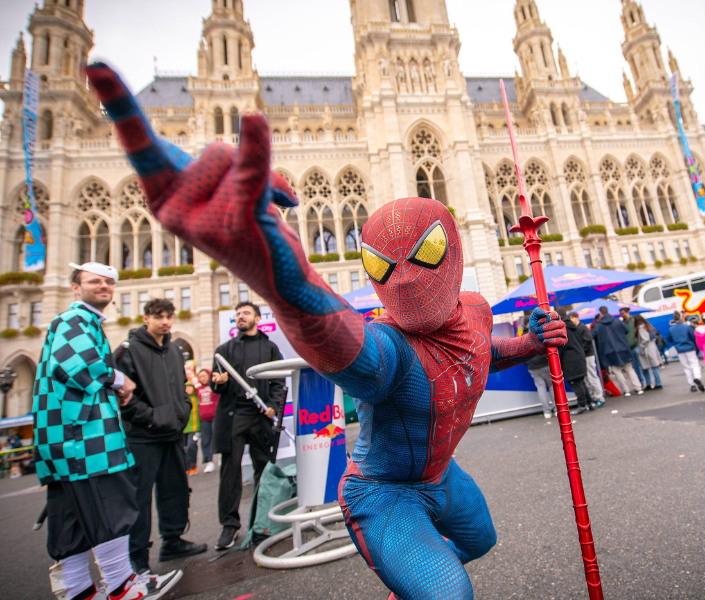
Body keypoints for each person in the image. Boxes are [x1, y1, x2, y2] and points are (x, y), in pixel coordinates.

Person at [87, 63, 569, 599]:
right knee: (449, 593)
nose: (403, 278)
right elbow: (343, 342)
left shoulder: (476, 309)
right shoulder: (388, 349)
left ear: (450, 248)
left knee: (479, 540)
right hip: (383, 493)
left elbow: (477, 350)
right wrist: (279, 275)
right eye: (380, 265)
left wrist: (527, 343)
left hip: (440, 476)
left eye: (426, 253)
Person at [33, 262, 181, 600]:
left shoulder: (79, 322)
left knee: (71, 518)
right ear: (75, 287)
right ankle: (122, 586)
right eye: (94, 281)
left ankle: (79, 590)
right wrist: (119, 379)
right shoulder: (75, 320)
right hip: (84, 438)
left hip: (62, 442)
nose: (103, 287)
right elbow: (75, 365)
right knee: (110, 507)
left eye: (108, 282)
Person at [115, 299, 207, 573]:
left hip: (172, 434)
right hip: (142, 437)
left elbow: (183, 386)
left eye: (169, 316)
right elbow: (122, 397)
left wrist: (182, 413)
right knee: (139, 498)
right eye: (159, 317)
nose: (165, 321)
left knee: (175, 490)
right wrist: (152, 419)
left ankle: (173, 541)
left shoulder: (175, 350)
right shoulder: (126, 351)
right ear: (146, 319)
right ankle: (137, 556)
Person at [211, 301, 286, 551]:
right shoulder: (224, 350)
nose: (240, 317)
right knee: (230, 473)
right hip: (233, 418)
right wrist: (219, 382)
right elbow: (216, 383)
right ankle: (229, 527)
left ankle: (261, 522)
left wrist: (274, 404)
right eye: (237, 314)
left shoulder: (270, 348)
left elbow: (278, 380)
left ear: (257, 318)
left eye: (245, 313)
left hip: (261, 417)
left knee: (263, 470)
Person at [592, 306, 644, 397]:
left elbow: (592, 335)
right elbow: (626, 330)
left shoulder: (599, 325)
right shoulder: (617, 321)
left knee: (617, 371)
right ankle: (638, 387)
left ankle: (626, 390)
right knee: (629, 368)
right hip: (623, 348)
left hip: (609, 351)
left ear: (600, 313)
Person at [558, 309, 593, 416]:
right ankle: (589, 403)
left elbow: (561, 347)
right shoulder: (575, 327)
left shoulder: (562, 329)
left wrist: (558, 361)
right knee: (581, 382)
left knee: (575, 383)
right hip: (580, 356)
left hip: (570, 360)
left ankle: (582, 405)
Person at [569, 311, 604, 406]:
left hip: (587, 355)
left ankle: (599, 397)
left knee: (592, 376)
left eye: (572, 318)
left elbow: (588, 341)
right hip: (583, 355)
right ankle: (593, 396)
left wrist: (580, 351)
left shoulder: (582, 328)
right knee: (587, 378)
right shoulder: (577, 329)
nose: (571, 320)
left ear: (576, 317)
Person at [667, 310, 704, 392]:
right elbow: (693, 336)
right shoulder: (687, 327)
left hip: (679, 349)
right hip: (689, 347)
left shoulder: (672, 329)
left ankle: (692, 384)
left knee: (686, 367)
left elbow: (669, 339)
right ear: (682, 318)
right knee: (694, 364)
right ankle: (697, 377)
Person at [195, 369, 219, 473]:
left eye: (204, 376)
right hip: (204, 418)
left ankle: (222, 456)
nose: (202, 378)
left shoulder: (215, 387)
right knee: (206, 440)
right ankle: (209, 461)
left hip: (215, 417)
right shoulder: (198, 389)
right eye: (200, 376)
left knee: (217, 437)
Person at [633, 315, 662, 390]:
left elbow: (645, 340)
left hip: (647, 350)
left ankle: (650, 383)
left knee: (646, 367)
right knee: (654, 367)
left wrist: (641, 349)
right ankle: (658, 383)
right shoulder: (648, 326)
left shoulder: (640, 328)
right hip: (652, 347)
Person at [619, 307, 646, 387]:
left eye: (623, 313)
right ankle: (640, 382)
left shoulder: (633, 320)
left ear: (628, 312)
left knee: (642, 364)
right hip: (629, 347)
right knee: (635, 366)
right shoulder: (622, 323)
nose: (622, 315)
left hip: (636, 345)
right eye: (621, 314)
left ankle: (647, 381)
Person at [526, 353, 555, 418]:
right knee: (552, 386)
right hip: (546, 364)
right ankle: (557, 410)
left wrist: (528, 363)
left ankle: (547, 412)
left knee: (541, 388)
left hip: (533, 367)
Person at [183, 382, 201, 475]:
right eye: (186, 387)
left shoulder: (197, 398)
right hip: (183, 428)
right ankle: (186, 466)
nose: (188, 389)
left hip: (194, 428)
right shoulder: (182, 400)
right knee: (183, 448)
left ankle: (193, 464)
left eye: (190, 387)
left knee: (191, 446)